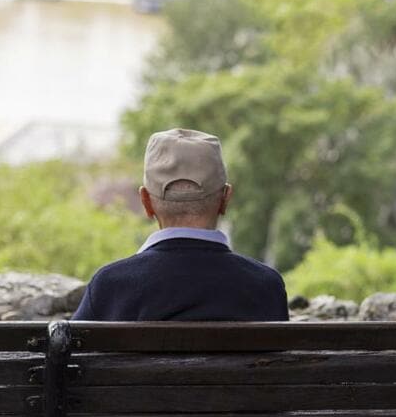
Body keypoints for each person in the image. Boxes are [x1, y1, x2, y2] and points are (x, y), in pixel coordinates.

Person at [72, 127, 288, 321]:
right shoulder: (266, 287)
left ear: (146, 202)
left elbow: (68, 358)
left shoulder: (110, 286)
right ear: (225, 199)